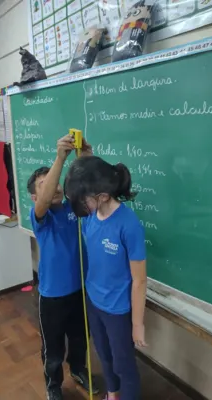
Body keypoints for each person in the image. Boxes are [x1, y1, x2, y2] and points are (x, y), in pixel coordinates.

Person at [63, 156, 147, 400]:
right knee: (104, 356)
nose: (80, 205)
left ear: (102, 195)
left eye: (83, 199)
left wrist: (137, 325)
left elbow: (139, 281)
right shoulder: (90, 217)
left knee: (124, 366)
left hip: (118, 310)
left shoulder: (128, 224)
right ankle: (112, 394)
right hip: (94, 302)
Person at [27, 133, 98, 400]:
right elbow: (46, 200)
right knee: (53, 347)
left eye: (56, 182)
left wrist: (85, 160)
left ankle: (79, 369)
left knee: (80, 339)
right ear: (35, 196)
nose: (54, 187)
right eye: (46, 184)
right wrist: (60, 158)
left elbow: (91, 190)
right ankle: (53, 384)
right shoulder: (39, 216)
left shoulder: (73, 207)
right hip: (52, 296)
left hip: (80, 290)